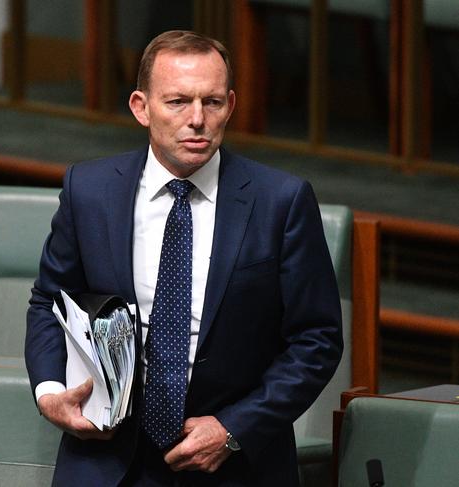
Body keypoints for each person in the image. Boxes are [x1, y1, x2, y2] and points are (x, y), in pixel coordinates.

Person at [25, 30, 342, 486]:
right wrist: (50, 391)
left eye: (212, 102)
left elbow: (318, 339)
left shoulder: (281, 201)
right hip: (108, 458)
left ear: (230, 105)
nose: (197, 119)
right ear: (141, 107)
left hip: (235, 463)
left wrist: (234, 428)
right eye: (177, 102)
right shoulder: (89, 191)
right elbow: (48, 303)